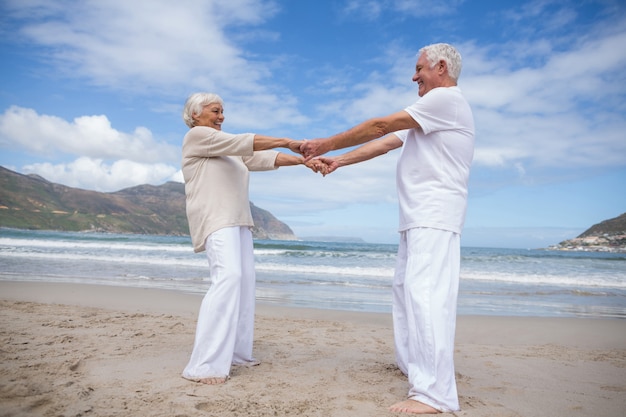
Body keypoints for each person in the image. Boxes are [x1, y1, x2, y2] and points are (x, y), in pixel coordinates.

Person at [302, 43, 475, 414]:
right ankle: (417, 369)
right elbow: (384, 143)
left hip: (435, 213)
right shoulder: (431, 112)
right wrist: (338, 161)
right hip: (416, 216)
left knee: (426, 295)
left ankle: (434, 395)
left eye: (419, 69)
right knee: (406, 292)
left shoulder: (447, 100)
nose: (414, 77)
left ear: (441, 67)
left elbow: (380, 124)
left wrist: (325, 142)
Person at [180, 92, 307, 385]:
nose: (221, 116)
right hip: (216, 218)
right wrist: (287, 140)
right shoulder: (198, 136)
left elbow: (258, 157)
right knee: (228, 279)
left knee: (244, 283)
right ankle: (203, 365)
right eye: (215, 110)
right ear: (196, 115)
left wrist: (302, 161)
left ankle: (236, 353)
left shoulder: (224, 146)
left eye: (223, 111)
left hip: (238, 221)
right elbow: (244, 142)